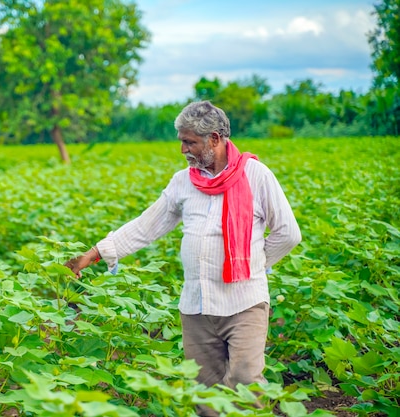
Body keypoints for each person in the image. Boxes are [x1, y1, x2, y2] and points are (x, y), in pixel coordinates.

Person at [65, 101, 301, 416]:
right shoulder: (184, 182)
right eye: (181, 141)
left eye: (189, 141)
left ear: (215, 139)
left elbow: (288, 233)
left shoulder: (255, 175)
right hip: (197, 308)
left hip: (244, 303)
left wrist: (252, 265)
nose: (182, 149)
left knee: (247, 385)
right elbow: (145, 226)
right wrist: (93, 254)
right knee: (204, 393)